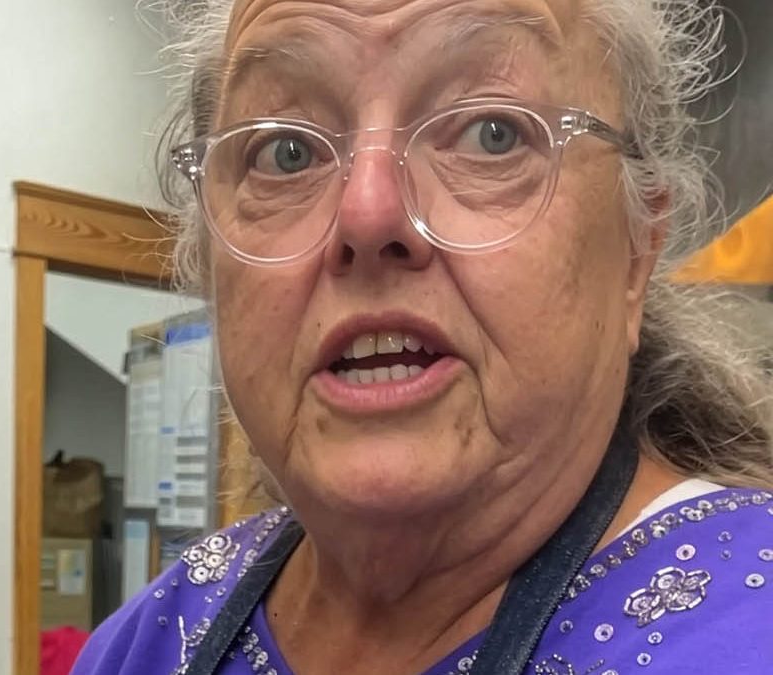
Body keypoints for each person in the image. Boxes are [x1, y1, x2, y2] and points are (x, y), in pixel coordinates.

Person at [74, 0, 773, 673]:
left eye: (492, 132)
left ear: (636, 254)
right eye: (286, 153)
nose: (366, 214)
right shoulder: (147, 641)